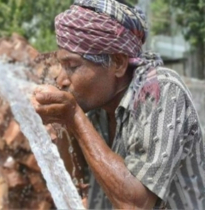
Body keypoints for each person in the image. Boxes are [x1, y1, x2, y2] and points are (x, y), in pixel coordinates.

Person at [32, 0, 205, 209]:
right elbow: (76, 182)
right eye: (61, 65)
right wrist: (61, 126)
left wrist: (74, 118)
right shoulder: (98, 106)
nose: (61, 80)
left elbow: (136, 204)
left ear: (118, 63)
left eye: (72, 66)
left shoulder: (161, 92)